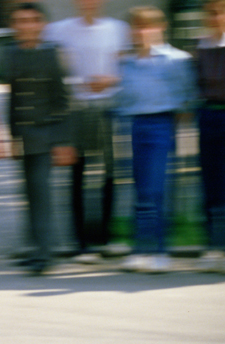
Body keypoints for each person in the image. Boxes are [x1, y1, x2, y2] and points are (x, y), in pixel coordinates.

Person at [44, 0, 130, 263]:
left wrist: (110, 80)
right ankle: (81, 243)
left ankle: (106, 238)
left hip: (109, 106)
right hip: (76, 107)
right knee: (77, 172)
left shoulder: (118, 28)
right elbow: (53, 69)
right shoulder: (58, 30)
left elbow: (127, 67)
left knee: (109, 173)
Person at [116, 6, 197, 273]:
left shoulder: (176, 59)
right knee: (141, 190)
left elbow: (187, 97)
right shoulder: (128, 62)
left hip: (162, 124)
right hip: (137, 125)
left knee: (155, 189)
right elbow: (124, 98)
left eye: (147, 26)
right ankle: (141, 249)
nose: (141, 32)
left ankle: (160, 251)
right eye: (137, 27)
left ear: (160, 27)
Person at [0, 3, 75, 274]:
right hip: (24, 135)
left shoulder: (53, 53)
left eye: (32, 20)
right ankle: (33, 248)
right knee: (29, 194)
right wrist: (10, 137)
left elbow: (63, 101)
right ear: (14, 26)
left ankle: (45, 255)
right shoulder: (10, 53)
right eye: (20, 21)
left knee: (41, 195)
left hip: (47, 133)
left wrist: (64, 141)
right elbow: (13, 98)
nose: (26, 25)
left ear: (41, 24)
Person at [195, 0, 225, 273]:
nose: (216, 17)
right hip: (208, 118)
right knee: (211, 183)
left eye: (220, 11)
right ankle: (213, 247)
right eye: (211, 13)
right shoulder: (201, 46)